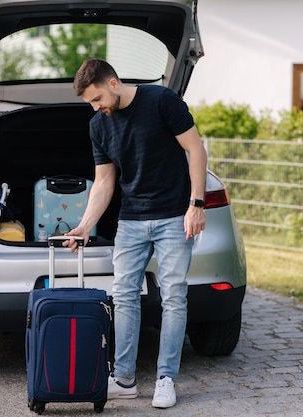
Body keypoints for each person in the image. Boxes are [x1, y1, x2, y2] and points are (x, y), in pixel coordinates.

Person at [64, 58, 207, 409]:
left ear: (113, 83)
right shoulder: (99, 125)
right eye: (90, 103)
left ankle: (165, 379)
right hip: (130, 220)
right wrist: (85, 224)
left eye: (97, 98)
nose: (95, 107)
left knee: (173, 296)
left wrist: (197, 204)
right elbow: (104, 181)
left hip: (175, 215)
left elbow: (196, 149)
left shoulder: (161, 101)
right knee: (124, 295)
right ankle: (125, 378)